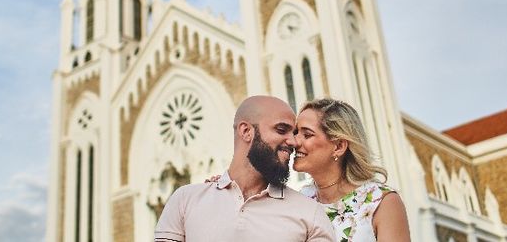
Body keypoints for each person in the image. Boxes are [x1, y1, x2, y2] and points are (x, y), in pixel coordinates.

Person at [154, 95, 337, 242]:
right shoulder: (185, 200)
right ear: (246, 131)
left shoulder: (310, 213)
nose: (294, 142)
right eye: (281, 130)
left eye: (294, 133)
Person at [294, 98, 411, 242]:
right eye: (295, 133)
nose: (294, 141)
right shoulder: (299, 201)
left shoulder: (381, 202)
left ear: (338, 146)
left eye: (307, 135)